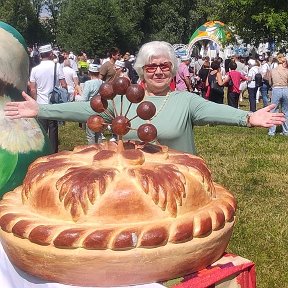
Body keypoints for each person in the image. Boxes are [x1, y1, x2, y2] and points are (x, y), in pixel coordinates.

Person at [4, 41, 285, 155]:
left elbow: (217, 111)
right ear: (141, 70)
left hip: (180, 181)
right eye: (151, 66)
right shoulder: (124, 101)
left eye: (165, 66)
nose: (159, 71)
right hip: (136, 184)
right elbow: (84, 109)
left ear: (173, 69)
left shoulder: (185, 101)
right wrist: (41, 109)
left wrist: (248, 117)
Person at [29, 44, 67, 153]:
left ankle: (42, 151)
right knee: (53, 129)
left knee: (42, 129)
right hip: (53, 102)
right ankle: (53, 152)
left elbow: (32, 89)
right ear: (51, 54)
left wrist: (34, 101)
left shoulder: (35, 70)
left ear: (40, 55)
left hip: (40, 103)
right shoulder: (57, 66)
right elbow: (63, 84)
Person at [75, 64, 104, 143]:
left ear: (89, 72)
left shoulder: (88, 83)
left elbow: (83, 99)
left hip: (91, 109)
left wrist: (79, 90)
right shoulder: (102, 82)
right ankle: (101, 152)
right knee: (99, 133)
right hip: (101, 110)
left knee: (91, 135)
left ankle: (92, 152)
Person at [268, 54, 288, 136]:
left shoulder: (272, 70)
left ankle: (272, 131)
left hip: (276, 89)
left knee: (273, 111)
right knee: (285, 111)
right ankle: (286, 131)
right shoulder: (286, 71)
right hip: (286, 89)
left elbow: (270, 82)